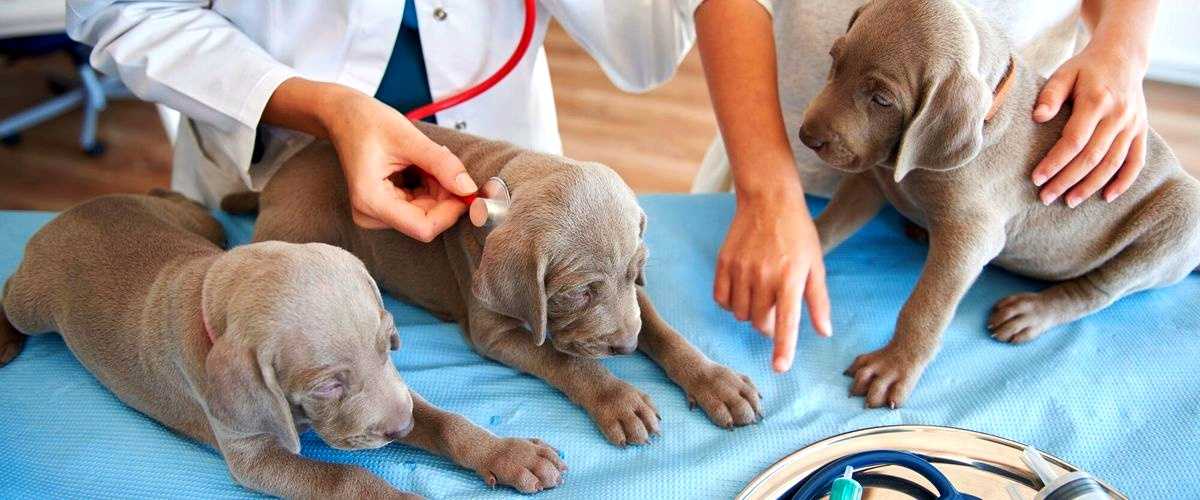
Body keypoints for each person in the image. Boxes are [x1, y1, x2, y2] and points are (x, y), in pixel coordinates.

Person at [67, 0, 818, 370]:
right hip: (266, 140)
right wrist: (323, 107)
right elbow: (118, 12)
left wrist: (770, 189)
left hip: (496, 165)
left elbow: (650, 46)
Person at [693, 0, 1158, 372]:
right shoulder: (904, 100)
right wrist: (788, 215)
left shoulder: (960, 124)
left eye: (880, 97)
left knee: (1183, 215)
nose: (816, 126)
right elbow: (876, 176)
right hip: (769, 154)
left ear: (939, 122)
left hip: (1108, 239)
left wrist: (908, 350)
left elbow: (972, 235)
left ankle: (1081, 296)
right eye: (839, 62)